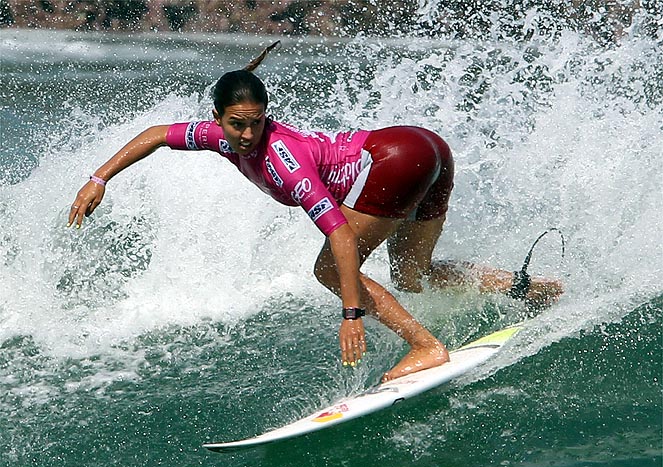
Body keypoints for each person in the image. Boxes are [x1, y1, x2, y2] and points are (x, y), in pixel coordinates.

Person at [68, 42, 562, 382]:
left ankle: (425, 346)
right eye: (237, 125)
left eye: (256, 124)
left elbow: (342, 235)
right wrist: (99, 178)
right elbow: (157, 135)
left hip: (395, 161)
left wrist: (352, 313)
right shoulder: (216, 137)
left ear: (267, 115)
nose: (247, 135)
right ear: (216, 119)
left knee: (328, 268)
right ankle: (532, 290)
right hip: (424, 147)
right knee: (414, 274)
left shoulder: (285, 162)